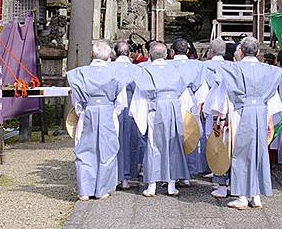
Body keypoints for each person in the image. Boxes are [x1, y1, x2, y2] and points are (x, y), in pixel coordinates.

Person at [218, 36, 282, 210]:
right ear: (258, 52)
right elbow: (271, 97)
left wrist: (222, 117)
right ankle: (255, 195)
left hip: (241, 112)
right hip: (261, 111)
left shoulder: (233, 69)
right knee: (259, 151)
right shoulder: (268, 71)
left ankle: (241, 196)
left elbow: (226, 95)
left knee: (241, 153)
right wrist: (270, 118)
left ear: (240, 51)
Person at [67, 41, 127, 200]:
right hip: (108, 112)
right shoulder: (117, 73)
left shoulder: (79, 74)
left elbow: (76, 100)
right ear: (109, 56)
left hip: (88, 112)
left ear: (91, 54)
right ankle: (102, 190)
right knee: (107, 151)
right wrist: (111, 111)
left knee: (85, 150)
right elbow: (121, 102)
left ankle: (84, 191)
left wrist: (84, 110)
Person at [130, 42, 191, 197]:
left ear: (150, 55)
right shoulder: (176, 70)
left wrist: (140, 119)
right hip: (173, 109)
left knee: (153, 145)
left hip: (155, 109)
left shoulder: (145, 70)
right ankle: (171, 184)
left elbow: (140, 98)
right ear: (166, 54)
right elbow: (184, 96)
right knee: (173, 144)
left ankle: (152, 185)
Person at [169, 38, 209, 181]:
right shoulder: (198, 66)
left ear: (172, 51)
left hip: (171, 101)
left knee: (172, 136)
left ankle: (173, 172)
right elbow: (202, 90)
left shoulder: (167, 65)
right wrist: (200, 106)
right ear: (187, 51)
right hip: (191, 100)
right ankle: (188, 172)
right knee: (191, 134)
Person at [110, 41, 147, 189]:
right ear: (129, 53)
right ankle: (128, 176)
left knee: (114, 140)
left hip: (113, 106)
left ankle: (113, 176)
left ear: (116, 53)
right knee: (132, 140)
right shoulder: (137, 69)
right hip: (133, 104)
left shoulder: (110, 68)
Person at [201, 38, 233, 199]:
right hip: (233, 113)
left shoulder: (204, 66)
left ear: (211, 51)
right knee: (231, 147)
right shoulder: (232, 67)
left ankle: (220, 181)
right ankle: (232, 182)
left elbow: (201, 87)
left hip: (216, 110)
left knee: (215, 144)